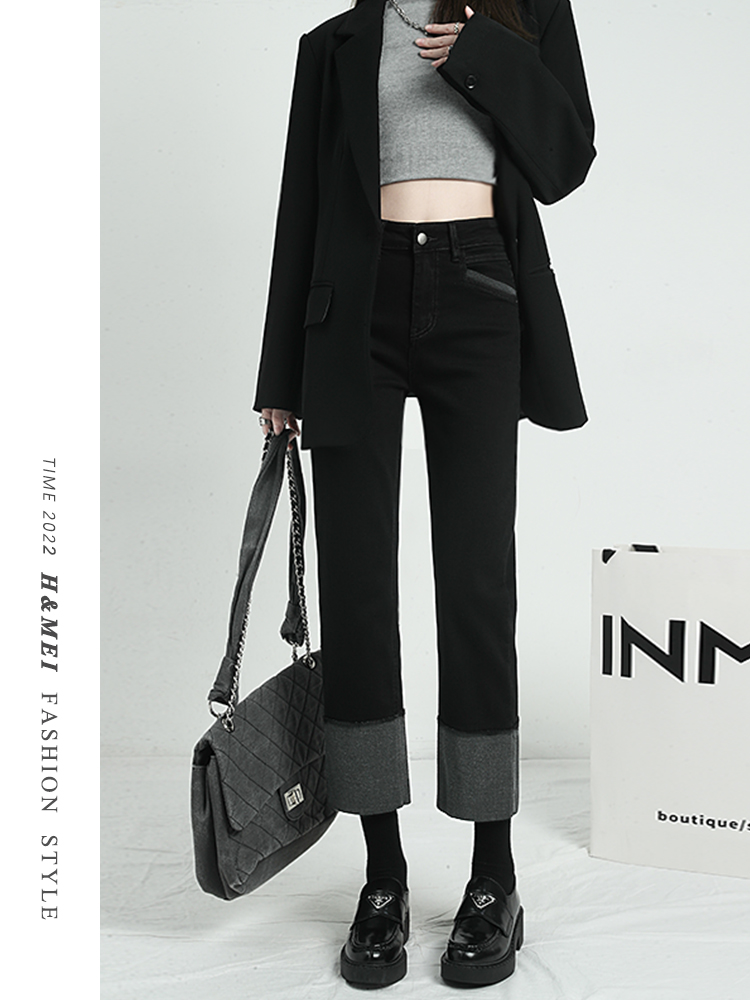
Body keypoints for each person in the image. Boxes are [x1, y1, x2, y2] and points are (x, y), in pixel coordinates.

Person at [253, 0, 595, 986]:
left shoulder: (524, 13)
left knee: (478, 585)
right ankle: (384, 875)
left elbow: (566, 159)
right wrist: (280, 375)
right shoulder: (335, 44)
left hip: (480, 291)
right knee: (359, 591)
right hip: (351, 318)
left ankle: (494, 876)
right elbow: (301, 205)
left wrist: (481, 51)